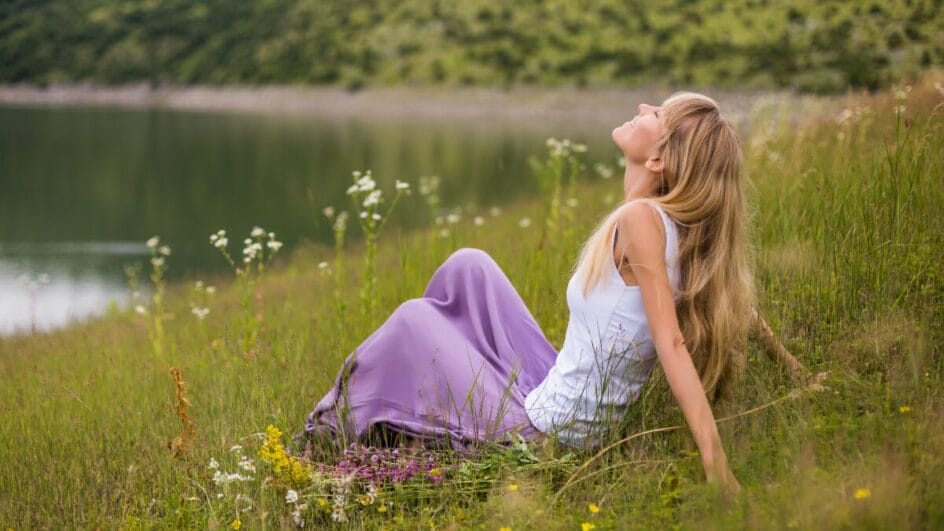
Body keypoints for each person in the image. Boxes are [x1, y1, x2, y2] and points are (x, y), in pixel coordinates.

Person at [297, 92, 813, 492]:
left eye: (657, 112)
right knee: (469, 266)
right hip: (548, 390)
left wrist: (716, 464)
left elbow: (673, 344)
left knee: (414, 320)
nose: (641, 107)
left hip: (545, 435)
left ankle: (325, 431)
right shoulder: (672, 227)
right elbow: (738, 307)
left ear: (659, 159)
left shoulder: (641, 221)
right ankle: (417, 404)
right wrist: (797, 373)